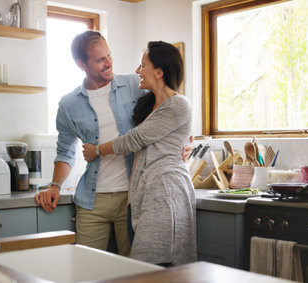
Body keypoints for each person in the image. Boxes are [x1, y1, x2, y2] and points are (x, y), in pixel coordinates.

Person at [35, 31, 192, 257]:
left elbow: (170, 110)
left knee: (134, 270)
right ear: (81, 64)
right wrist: (55, 186)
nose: (108, 63)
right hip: (92, 200)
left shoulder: (133, 85)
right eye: (100, 59)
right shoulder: (69, 105)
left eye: (109, 55)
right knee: (88, 269)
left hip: (132, 196)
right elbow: (65, 152)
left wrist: (186, 144)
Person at [82, 41, 197, 266]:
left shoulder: (178, 104)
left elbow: (135, 139)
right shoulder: (148, 105)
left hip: (167, 192)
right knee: (147, 267)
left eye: (142, 65)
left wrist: (96, 151)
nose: (137, 71)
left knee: (156, 265)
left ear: (159, 71)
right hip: (144, 195)